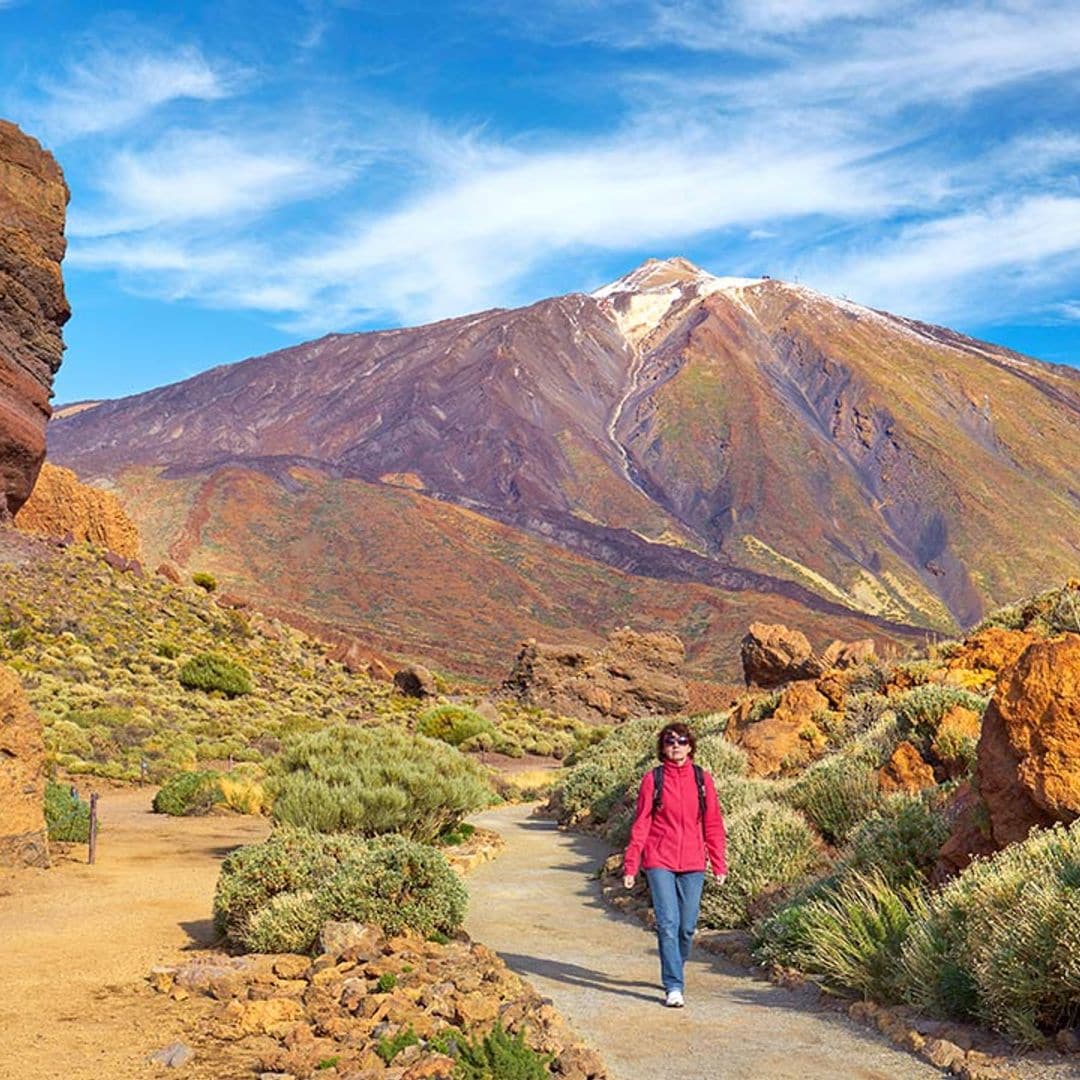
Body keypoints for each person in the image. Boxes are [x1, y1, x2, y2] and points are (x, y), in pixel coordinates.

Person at [622, 721, 727, 1007]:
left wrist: (719, 863)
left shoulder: (702, 779)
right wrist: (632, 864)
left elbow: (713, 823)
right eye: (670, 741)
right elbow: (641, 823)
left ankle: (675, 968)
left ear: (690, 745)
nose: (676, 746)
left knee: (687, 927)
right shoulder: (652, 779)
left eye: (681, 741)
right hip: (660, 860)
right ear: (662, 747)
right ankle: (673, 985)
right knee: (668, 923)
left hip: (693, 861)